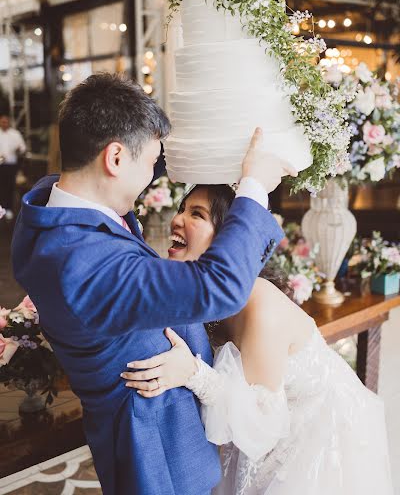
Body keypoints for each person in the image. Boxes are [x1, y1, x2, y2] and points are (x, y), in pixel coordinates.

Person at [11, 73, 296, 495]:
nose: (150, 178)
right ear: (115, 158)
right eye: (150, 162)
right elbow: (216, 286)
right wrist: (255, 187)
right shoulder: (84, 261)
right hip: (159, 456)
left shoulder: (50, 203)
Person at [123, 184, 394, 495]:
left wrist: (192, 373)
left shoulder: (260, 305)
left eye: (195, 214)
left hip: (312, 437)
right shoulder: (202, 289)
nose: (177, 220)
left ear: (229, 239)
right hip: (257, 426)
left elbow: (261, 425)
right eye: (182, 209)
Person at [0, 112, 26, 220]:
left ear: (9, 122)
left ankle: (9, 209)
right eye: (2, 122)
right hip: (0, 164)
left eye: (6, 121)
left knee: (10, 187)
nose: (4, 123)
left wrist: (19, 149)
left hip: (11, 165)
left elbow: (23, 147)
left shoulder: (15, 134)